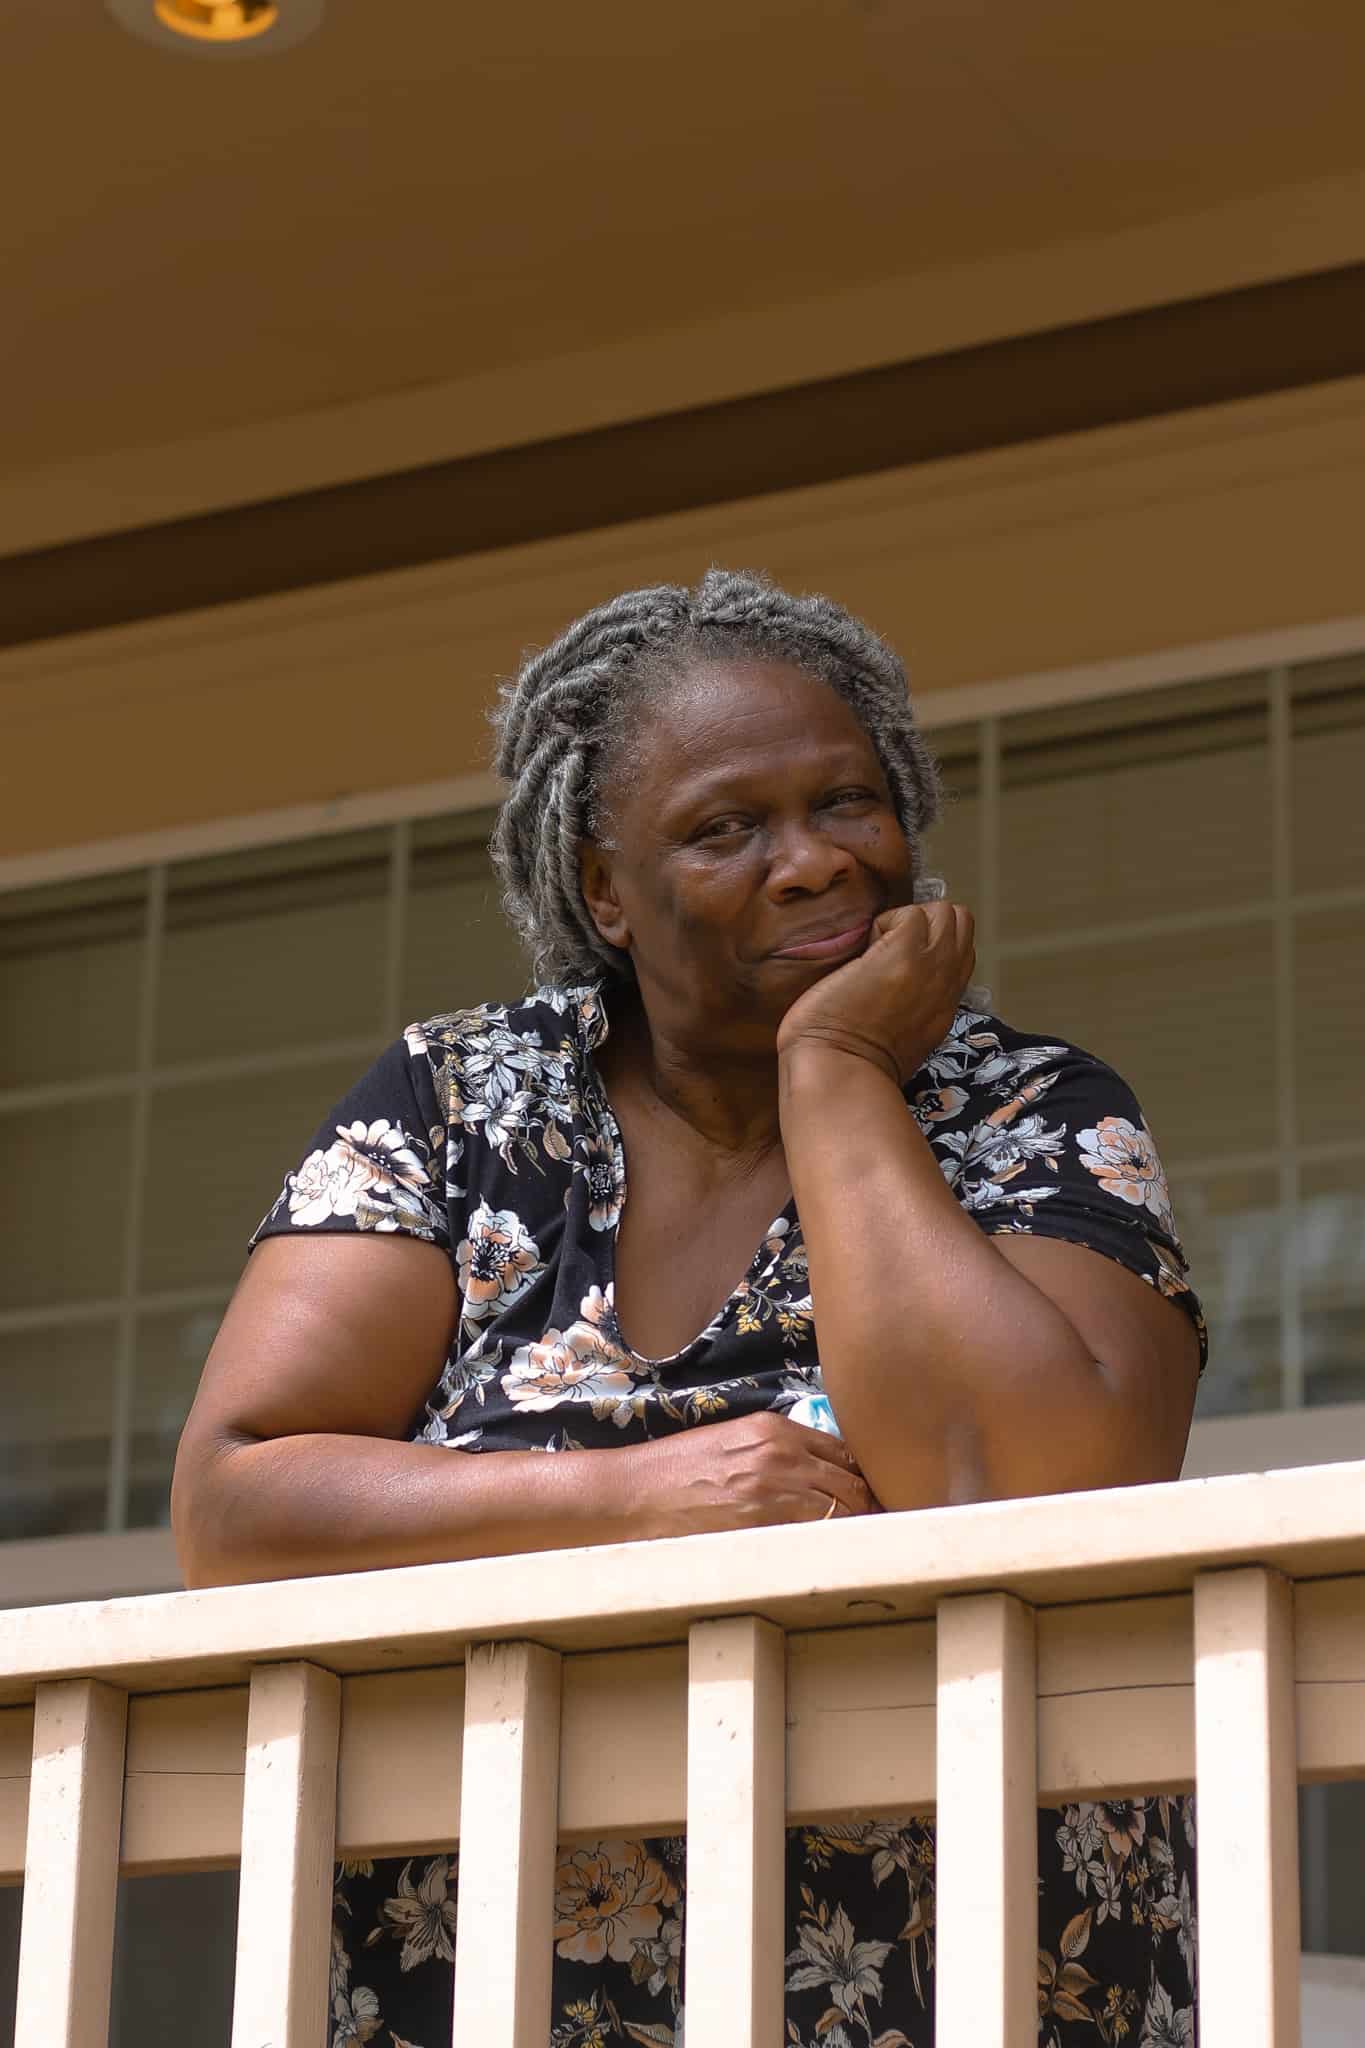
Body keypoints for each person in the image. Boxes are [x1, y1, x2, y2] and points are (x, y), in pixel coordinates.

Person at [172, 569, 1204, 2048]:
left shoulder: (1026, 1108)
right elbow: (237, 1503)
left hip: (963, 1953)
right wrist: (633, 1498)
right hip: (493, 1964)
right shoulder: (465, 1104)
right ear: (603, 892)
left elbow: (1036, 1484)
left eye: (847, 804)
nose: (813, 863)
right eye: (726, 829)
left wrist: (838, 1072)